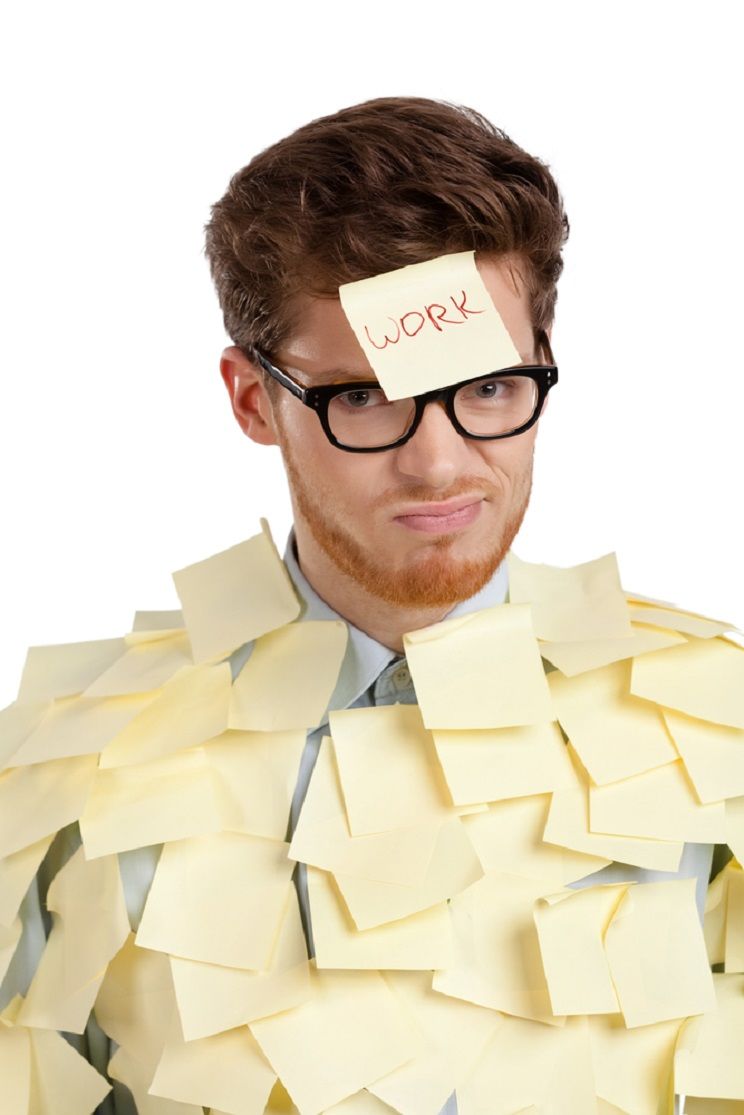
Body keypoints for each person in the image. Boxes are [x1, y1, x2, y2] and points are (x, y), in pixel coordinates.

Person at [1, 96, 739, 1115]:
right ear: (253, 399)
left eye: (487, 387)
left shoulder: (718, 723)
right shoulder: (55, 764)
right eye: (365, 397)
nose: (438, 462)